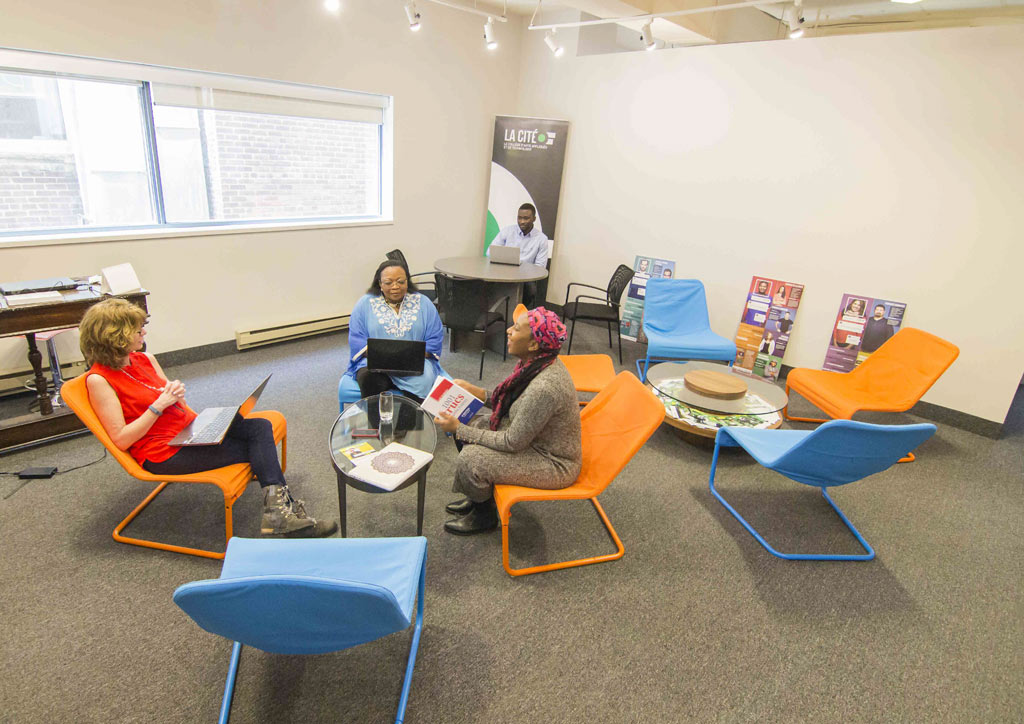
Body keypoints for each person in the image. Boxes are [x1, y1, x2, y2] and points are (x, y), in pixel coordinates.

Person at [79, 299, 336, 538]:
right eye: (137, 330)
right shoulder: (99, 380)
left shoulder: (144, 359)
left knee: (259, 426)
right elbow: (121, 439)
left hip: (189, 431)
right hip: (162, 452)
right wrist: (158, 406)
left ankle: (280, 512)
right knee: (256, 445)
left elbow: (171, 398)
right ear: (116, 336)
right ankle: (282, 515)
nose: (143, 334)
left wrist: (178, 397)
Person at [433, 307, 582, 535]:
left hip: (553, 462)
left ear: (533, 344)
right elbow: (511, 402)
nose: (508, 331)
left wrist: (458, 429)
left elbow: (512, 442)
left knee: (471, 458)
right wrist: (478, 392)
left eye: (516, 329)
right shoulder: (536, 363)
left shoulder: (545, 387)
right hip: (532, 439)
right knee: (472, 423)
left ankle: (484, 515)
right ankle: (479, 499)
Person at [346, 259, 444, 402]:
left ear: (407, 281)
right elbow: (356, 338)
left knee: (424, 380)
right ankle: (377, 424)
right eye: (388, 282)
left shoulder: (424, 303)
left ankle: (409, 424)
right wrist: (384, 356)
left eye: (400, 281)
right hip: (375, 364)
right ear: (379, 283)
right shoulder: (364, 304)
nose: (395, 287)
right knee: (369, 379)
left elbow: (435, 337)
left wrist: (408, 356)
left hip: (415, 364)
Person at [488, 203, 549, 306]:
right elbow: (490, 252)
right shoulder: (507, 231)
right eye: (519, 218)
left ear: (534, 219)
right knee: (486, 285)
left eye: (526, 218)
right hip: (503, 273)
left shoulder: (541, 239)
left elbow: (540, 267)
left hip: (526, 278)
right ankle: (496, 313)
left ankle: (517, 314)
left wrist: (522, 271)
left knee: (530, 291)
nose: (522, 222)